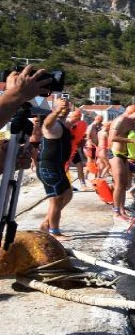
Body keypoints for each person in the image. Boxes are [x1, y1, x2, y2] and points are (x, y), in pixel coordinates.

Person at [36, 98, 73, 239]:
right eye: (62, 107)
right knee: (56, 199)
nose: (66, 109)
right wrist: (57, 111)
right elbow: (46, 123)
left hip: (58, 167)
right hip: (48, 167)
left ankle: (46, 223)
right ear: (54, 108)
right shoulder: (52, 124)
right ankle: (54, 232)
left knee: (68, 194)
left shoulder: (62, 124)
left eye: (68, 107)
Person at [108, 105, 135, 220]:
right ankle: (116, 212)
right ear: (134, 112)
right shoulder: (120, 120)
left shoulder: (132, 123)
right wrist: (132, 140)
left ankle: (122, 209)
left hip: (124, 155)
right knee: (119, 183)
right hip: (115, 153)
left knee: (124, 184)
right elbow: (112, 138)